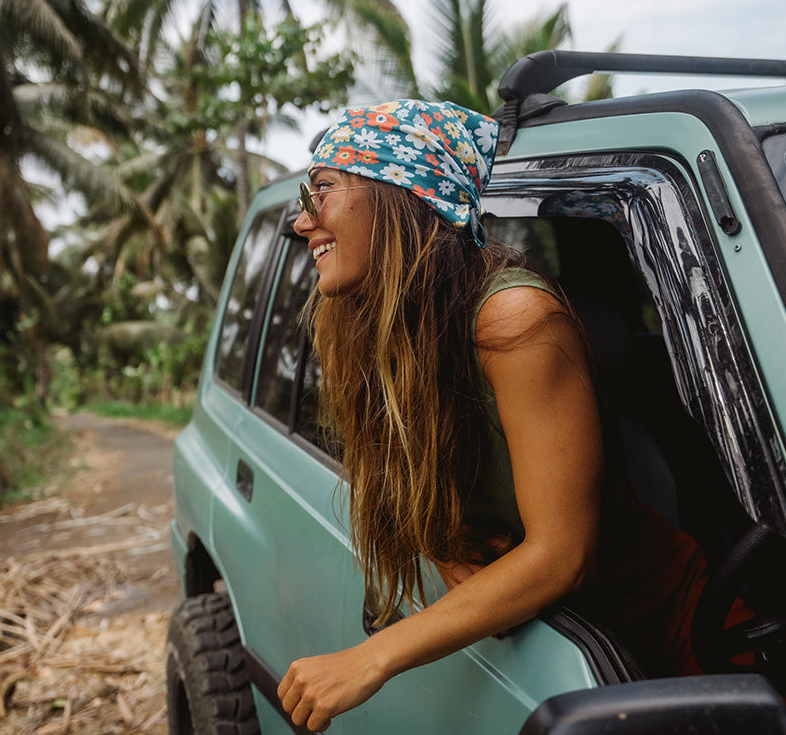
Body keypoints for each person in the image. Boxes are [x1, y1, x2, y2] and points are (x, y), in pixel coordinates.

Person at [277, 99, 711, 733]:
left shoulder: (513, 319)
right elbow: (408, 467)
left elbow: (562, 554)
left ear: (402, 195)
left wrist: (370, 659)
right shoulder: (367, 324)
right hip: (562, 654)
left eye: (322, 189)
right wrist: (444, 541)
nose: (301, 222)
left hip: (658, 629)